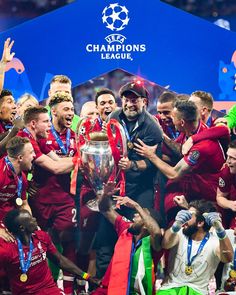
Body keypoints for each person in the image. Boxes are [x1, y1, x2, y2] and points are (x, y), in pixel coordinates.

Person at [134, 100, 226, 223]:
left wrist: (151, 156)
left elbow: (174, 174)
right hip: (191, 191)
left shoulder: (202, 147)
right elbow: (178, 153)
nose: (170, 120)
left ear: (181, 122)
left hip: (207, 200)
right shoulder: (192, 131)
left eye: (173, 117)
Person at [29, 92, 78, 295]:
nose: (70, 113)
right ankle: (46, 286)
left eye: (72, 109)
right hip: (41, 199)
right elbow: (54, 167)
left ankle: (68, 289)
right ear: (54, 111)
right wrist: (78, 161)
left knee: (68, 240)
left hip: (66, 199)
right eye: (66, 109)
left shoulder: (74, 136)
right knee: (42, 242)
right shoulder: (43, 135)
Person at [0, 209, 99, 295]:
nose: (35, 219)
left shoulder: (41, 237)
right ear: (22, 228)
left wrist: (85, 276)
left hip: (49, 289)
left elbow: (59, 259)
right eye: (30, 219)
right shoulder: (6, 250)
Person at [92, 182, 163, 295]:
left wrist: (137, 206)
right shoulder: (125, 229)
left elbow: (156, 232)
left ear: (146, 224)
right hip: (110, 289)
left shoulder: (153, 244)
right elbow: (105, 209)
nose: (135, 215)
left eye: (140, 214)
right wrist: (105, 195)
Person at [157, 200, 233, 295]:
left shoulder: (215, 241)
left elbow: (228, 258)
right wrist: (175, 225)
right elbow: (165, 244)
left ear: (200, 223)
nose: (185, 219)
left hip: (198, 291)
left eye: (189, 216)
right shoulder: (179, 233)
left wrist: (220, 230)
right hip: (170, 289)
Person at [0, 136, 35, 294]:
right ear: (20, 157)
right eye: (31, 152)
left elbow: (24, 203)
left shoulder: (21, 176)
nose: (34, 156)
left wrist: (30, 223)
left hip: (8, 218)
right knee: (6, 248)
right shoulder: (1, 173)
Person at [17, 105, 76, 174]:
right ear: (33, 124)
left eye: (49, 121)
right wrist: (81, 161)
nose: (50, 125)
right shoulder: (25, 140)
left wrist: (79, 159)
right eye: (46, 121)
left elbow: (58, 160)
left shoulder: (39, 139)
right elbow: (55, 168)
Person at [216, 140, 236, 228]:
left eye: (233, 158)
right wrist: (231, 204)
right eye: (228, 156)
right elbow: (220, 197)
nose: (228, 161)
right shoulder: (226, 171)